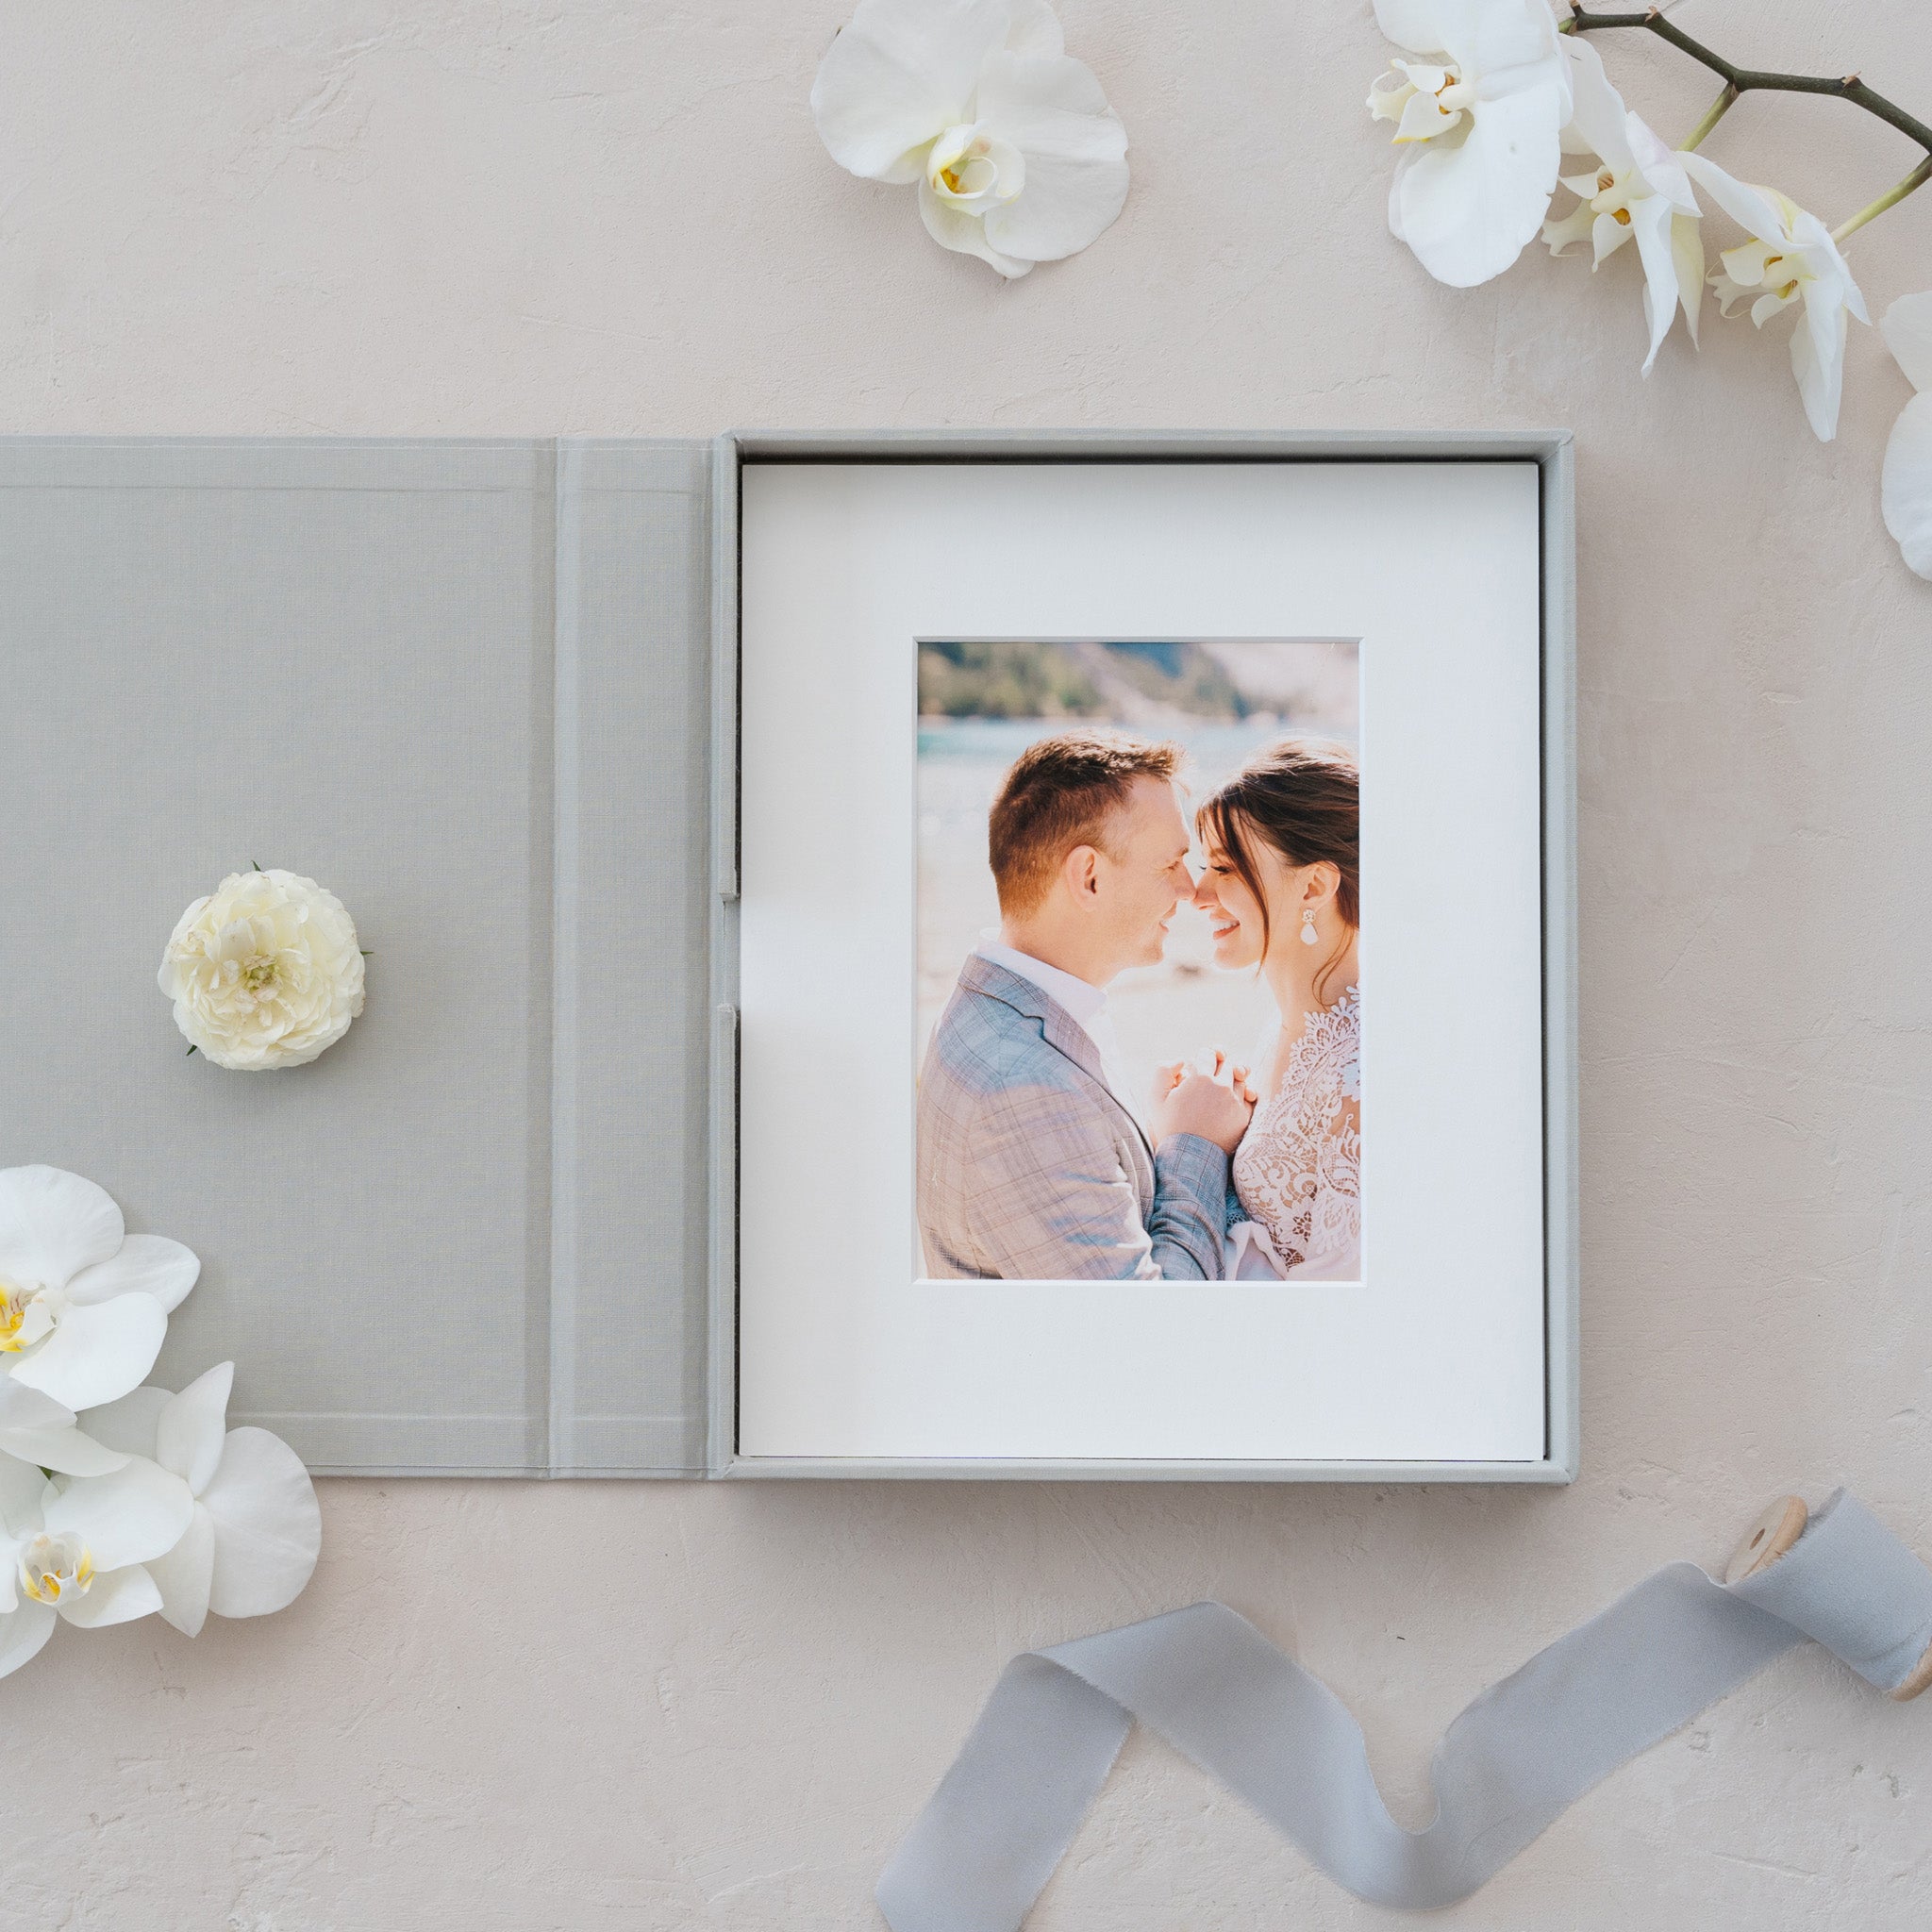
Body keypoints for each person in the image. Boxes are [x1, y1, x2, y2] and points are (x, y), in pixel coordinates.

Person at [917, 730, 1256, 1280]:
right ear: (1089, 878)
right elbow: (1148, 1342)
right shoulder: (1022, 1087)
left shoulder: (1007, 1006)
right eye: (1171, 863)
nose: (1191, 890)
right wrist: (1192, 1144)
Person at [1191, 740, 1361, 1281]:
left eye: (1224, 868)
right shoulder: (1289, 1027)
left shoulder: (1363, 1073)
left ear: (1313, 885)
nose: (1197, 894)